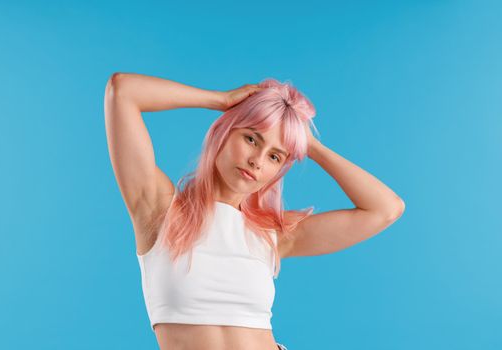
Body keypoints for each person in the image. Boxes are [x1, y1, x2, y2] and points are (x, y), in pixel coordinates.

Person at [104, 73, 405, 350]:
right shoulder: (159, 209)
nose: (257, 161)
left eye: (275, 156)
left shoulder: (272, 234)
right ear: (223, 133)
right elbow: (123, 91)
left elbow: (386, 209)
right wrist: (219, 100)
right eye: (251, 139)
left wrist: (307, 144)